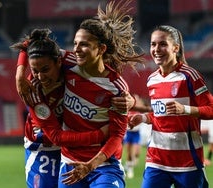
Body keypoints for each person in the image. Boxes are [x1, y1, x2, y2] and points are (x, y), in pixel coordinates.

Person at [31, 1, 144, 187]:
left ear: (101, 49)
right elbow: (33, 46)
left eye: (84, 45)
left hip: (103, 165)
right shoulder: (67, 62)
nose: (76, 49)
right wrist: (20, 75)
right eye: (75, 43)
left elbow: (116, 137)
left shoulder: (116, 88)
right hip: (69, 163)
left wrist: (90, 166)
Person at [11, 27, 137, 188]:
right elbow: (56, 137)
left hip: (73, 150)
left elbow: (31, 43)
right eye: (35, 71)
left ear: (59, 62)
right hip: (43, 145)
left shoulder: (72, 64)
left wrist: (130, 100)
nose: (40, 77)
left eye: (45, 70)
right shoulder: (32, 91)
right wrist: (99, 135)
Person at [129, 25, 213, 188]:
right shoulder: (152, 79)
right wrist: (144, 118)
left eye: (162, 44)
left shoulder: (190, 76)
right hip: (157, 161)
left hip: (187, 162)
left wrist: (186, 110)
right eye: (153, 44)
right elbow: (161, 116)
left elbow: (211, 109)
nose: (156, 49)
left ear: (176, 47)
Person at [123, 95, 151, 179]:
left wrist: (138, 101)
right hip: (128, 133)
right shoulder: (129, 109)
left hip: (136, 134)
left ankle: (130, 166)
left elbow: (146, 110)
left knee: (135, 152)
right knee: (129, 153)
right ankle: (129, 167)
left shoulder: (140, 109)